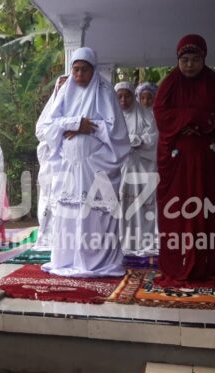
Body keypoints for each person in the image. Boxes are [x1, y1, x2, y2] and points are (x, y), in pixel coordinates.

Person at [153, 34, 215, 284]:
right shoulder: (169, 84)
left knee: (207, 207)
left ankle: (206, 262)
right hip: (178, 163)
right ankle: (177, 259)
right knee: (177, 209)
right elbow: (161, 113)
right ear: (178, 60)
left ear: (204, 59)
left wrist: (200, 122)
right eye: (185, 60)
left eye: (195, 60)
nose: (189, 65)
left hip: (207, 162)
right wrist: (191, 118)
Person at [40, 47, 131, 277]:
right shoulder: (64, 92)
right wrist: (74, 123)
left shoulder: (105, 91)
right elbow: (47, 127)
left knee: (95, 215)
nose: (79, 75)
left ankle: (95, 262)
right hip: (69, 168)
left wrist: (91, 127)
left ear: (93, 70)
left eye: (84, 70)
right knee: (69, 216)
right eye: (76, 69)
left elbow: (117, 132)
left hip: (96, 167)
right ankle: (68, 260)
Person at [115, 81, 159, 257]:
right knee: (123, 202)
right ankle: (124, 240)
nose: (123, 100)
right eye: (119, 97)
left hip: (143, 168)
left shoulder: (146, 116)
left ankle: (145, 240)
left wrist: (136, 140)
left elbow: (153, 137)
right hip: (122, 168)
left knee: (144, 203)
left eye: (127, 96)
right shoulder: (113, 116)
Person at [34, 75, 68, 251]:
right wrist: (57, 133)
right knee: (47, 199)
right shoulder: (49, 111)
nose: (62, 89)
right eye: (60, 86)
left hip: (67, 165)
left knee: (63, 200)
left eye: (66, 86)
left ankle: (63, 240)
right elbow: (41, 131)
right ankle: (47, 238)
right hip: (49, 164)